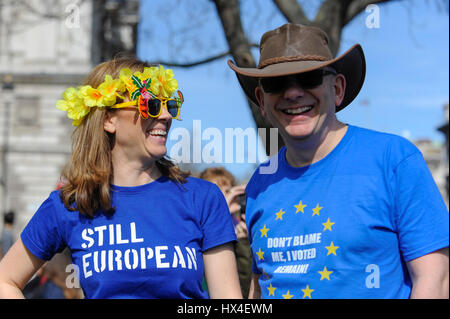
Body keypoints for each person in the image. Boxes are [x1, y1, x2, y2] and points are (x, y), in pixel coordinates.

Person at [227, 23, 449, 299]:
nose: (293, 93)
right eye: (276, 83)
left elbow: (435, 280)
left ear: (338, 88)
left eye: (309, 78)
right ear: (262, 100)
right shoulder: (260, 182)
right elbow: (260, 286)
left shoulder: (395, 160)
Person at [0, 57, 242, 299]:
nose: (167, 115)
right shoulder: (70, 204)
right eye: (151, 104)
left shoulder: (202, 198)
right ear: (108, 119)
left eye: (171, 104)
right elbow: (6, 281)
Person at [199, 167, 252, 298]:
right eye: (224, 192)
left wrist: (244, 241)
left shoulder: (241, 225)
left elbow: (246, 281)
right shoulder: (201, 228)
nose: (232, 195)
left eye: (231, 189)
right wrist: (220, 214)